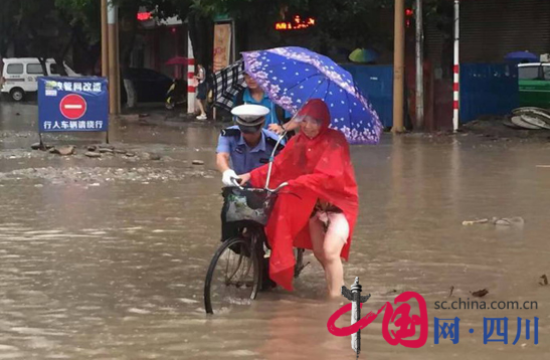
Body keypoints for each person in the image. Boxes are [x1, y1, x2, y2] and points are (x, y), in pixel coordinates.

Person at [238, 99, 359, 297]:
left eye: (315, 121)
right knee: (320, 253)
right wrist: (250, 175)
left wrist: (300, 181)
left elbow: (331, 174)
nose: (308, 126)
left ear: (324, 122)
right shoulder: (297, 142)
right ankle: (335, 288)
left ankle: (334, 301)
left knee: (329, 252)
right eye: (304, 120)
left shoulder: (335, 141)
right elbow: (278, 166)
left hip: (337, 204)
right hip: (311, 204)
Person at [216, 104, 284, 185]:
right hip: (236, 182)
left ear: (262, 125)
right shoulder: (229, 135)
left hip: (262, 185)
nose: (247, 135)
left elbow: (282, 167)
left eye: (252, 132)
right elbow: (222, 156)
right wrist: (226, 171)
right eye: (244, 131)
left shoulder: (276, 143)